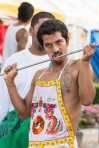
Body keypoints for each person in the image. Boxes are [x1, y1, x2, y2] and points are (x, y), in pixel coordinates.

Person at [4, 19, 96, 148]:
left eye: (59, 42)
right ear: (44, 46)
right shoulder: (39, 75)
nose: (55, 49)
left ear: (67, 40)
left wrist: (86, 62)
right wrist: (10, 83)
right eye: (49, 45)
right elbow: (24, 113)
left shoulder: (78, 67)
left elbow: (87, 100)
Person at [0, 12, 55, 148]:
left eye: (50, 29)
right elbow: (2, 100)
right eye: (42, 28)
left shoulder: (58, 63)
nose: (46, 33)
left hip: (46, 132)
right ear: (30, 31)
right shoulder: (14, 60)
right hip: (14, 131)